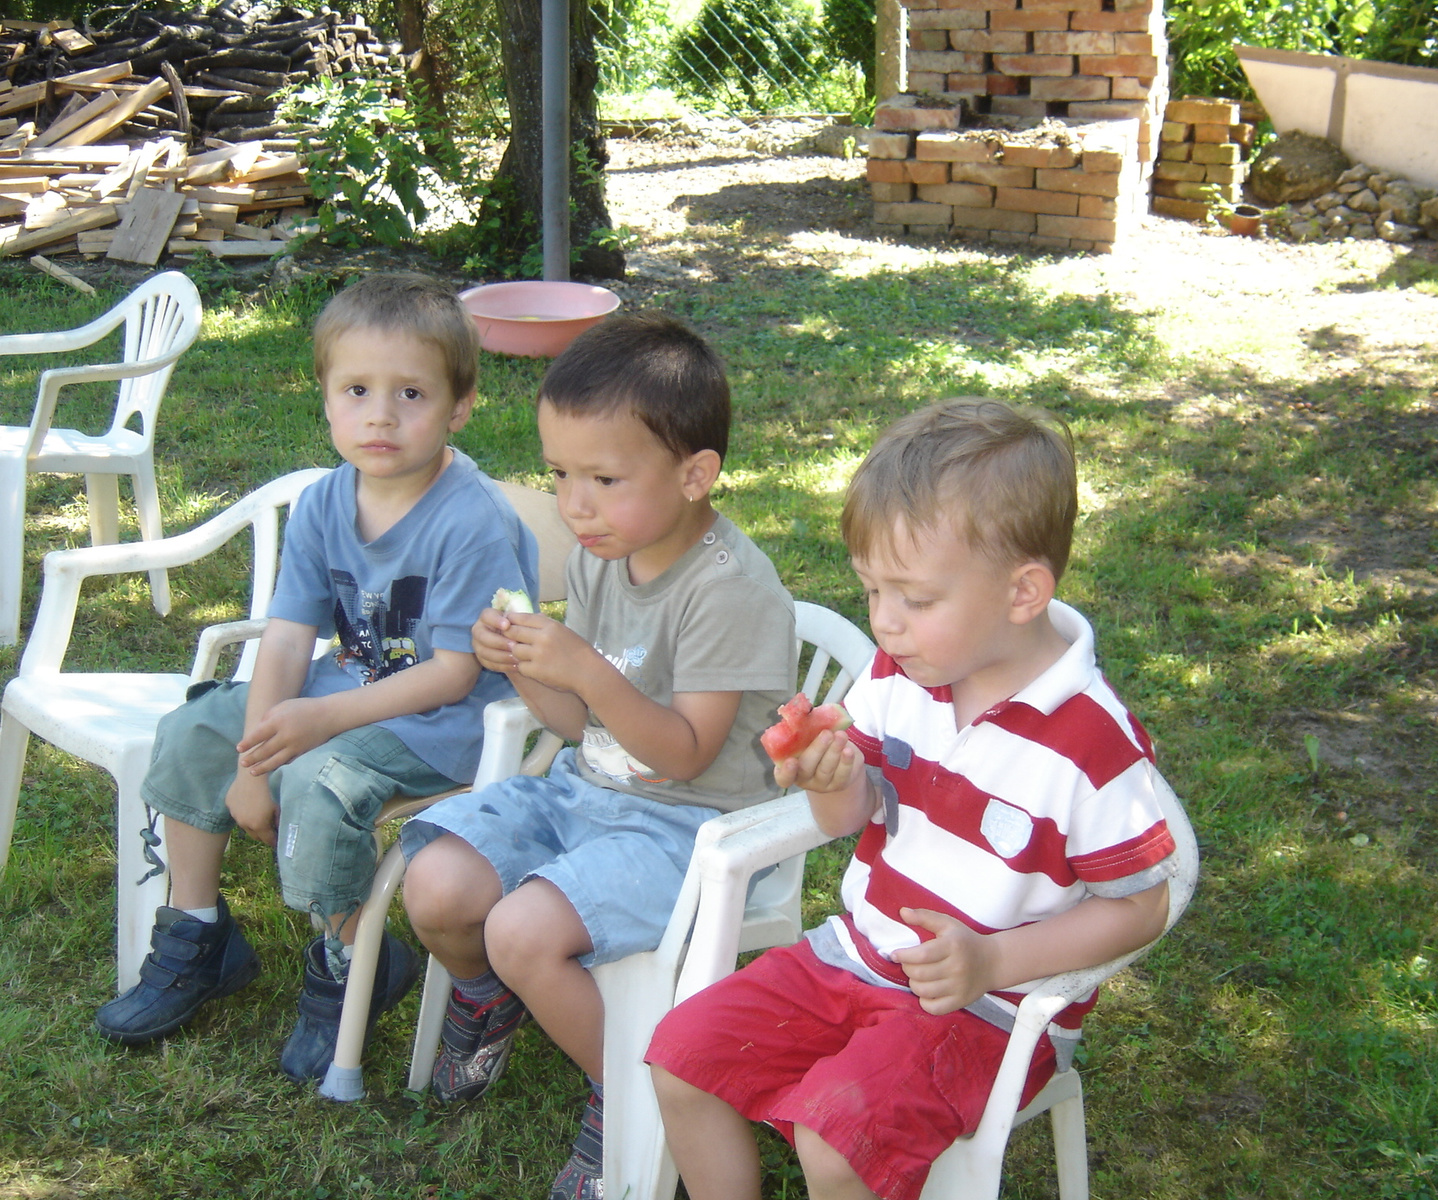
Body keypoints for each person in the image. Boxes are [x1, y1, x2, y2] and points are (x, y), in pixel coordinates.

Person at [647, 398, 1184, 1200]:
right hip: (857, 955)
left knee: (835, 1141)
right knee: (680, 1054)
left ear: (1023, 592)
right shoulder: (904, 678)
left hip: (989, 1010)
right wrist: (836, 782)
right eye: (871, 592)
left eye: (915, 599)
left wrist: (994, 959)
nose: (885, 625)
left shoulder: (1091, 749)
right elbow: (848, 819)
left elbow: (1142, 907)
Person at [94, 272, 541, 1087]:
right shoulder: (326, 501)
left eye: (411, 393)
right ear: (327, 400)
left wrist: (308, 733)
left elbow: (450, 676)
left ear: (460, 405)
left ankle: (352, 960)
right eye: (358, 390)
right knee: (196, 730)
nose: (381, 415)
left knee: (321, 783)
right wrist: (254, 755)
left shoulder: (472, 520)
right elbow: (289, 639)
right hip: (351, 690)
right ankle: (200, 933)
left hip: (446, 722)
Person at [399, 312, 796, 1200]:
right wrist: (525, 667)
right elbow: (581, 728)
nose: (575, 505)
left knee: (520, 930)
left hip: (694, 833)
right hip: (591, 792)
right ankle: (489, 995)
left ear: (696, 476)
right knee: (436, 886)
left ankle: (627, 1096)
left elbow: (686, 756)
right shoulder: (601, 556)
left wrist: (583, 669)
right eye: (560, 475)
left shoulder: (730, 590)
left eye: (604, 478)